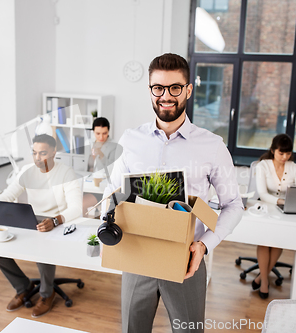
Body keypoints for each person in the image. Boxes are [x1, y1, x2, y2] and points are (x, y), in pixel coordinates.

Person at [102, 53, 243, 333]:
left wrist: (203, 246)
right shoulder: (131, 139)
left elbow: (234, 205)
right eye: (158, 88)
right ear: (150, 90)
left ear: (188, 90)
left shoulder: (212, 146)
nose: (166, 96)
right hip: (136, 254)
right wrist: (106, 216)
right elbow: (113, 189)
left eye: (175, 88)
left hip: (186, 260)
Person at [0, 134, 82, 318]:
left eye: (42, 153)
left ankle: (47, 293)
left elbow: (76, 207)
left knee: (42, 249)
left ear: (53, 152)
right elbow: (8, 195)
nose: (37, 157)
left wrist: (55, 220)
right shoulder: (27, 170)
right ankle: (23, 287)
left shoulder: (66, 172)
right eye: (34, 153)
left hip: (57, 222)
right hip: (31, 220)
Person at [253, 133, 296, 299]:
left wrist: (289, 203)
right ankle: (265, 283)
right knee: (265, 242)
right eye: (281, 153)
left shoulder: (295, 168)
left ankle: (261, 276)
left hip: (285, 211)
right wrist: (282, 201)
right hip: (266, 209)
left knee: (278, 242)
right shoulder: (263, 166)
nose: (285, 157)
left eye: (288, 154)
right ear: (273, 150)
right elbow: (262, 193)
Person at [83, 117, 121, 216]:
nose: (101, 137)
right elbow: (86, 166)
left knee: (81, 204)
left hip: (102, 188)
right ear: (93, 132)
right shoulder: (90, 144)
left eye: (104, 133)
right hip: (88, 184)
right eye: (98, 133)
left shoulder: (114, 146)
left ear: (108, 131)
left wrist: (101, 155)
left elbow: (111, 170)